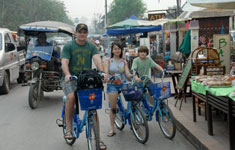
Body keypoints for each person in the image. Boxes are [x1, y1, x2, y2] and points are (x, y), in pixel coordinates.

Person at [61, 23, 107, 150]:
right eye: (80, 32)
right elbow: (64, 62)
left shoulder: (91, 46)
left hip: (85, 79)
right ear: (75, 33)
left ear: (87, 33)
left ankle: (98, 139)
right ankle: (69, 129)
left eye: (84, 32)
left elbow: (97, 59)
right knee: (70, 97)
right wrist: (67, 74)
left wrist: (102, 71)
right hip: (71, 78)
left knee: (93, 106)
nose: (82, 34)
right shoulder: (69, 46)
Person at [103, 42, 131, 137]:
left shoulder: (124, 62)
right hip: (112, 85)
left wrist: (132, 75)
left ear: (121, 50)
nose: (117, 50)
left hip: (123, 84)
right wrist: (106, 75)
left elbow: (127, 73)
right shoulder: (108, 61)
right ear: (112, 50)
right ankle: (112, 128)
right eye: (115, 48)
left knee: (133, 99)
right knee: (113, 108)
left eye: (119, 48)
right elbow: (106, 72)